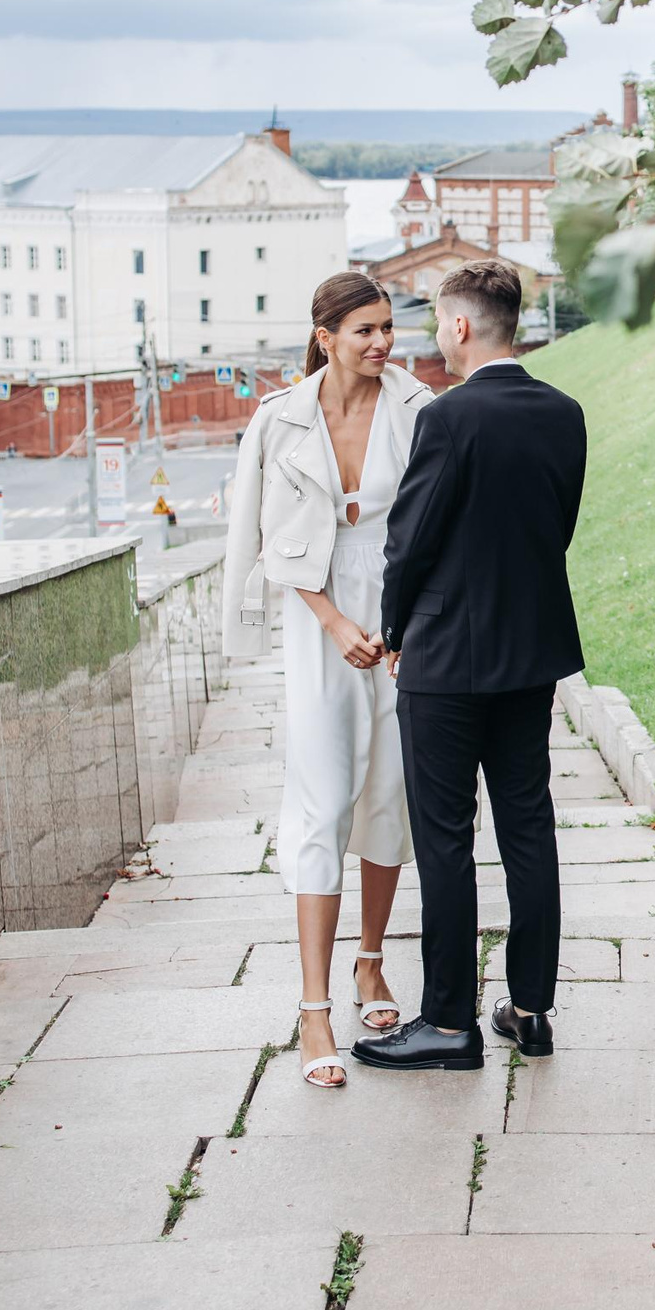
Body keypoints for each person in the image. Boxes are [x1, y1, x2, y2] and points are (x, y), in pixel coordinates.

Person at [354, 260, 586, 1073]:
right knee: (528, 826)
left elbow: (408, 541)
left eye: (435, 323)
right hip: (531, 653)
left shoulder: (447, 417)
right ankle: (530, 1010)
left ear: (459, 325)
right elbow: (555, 527)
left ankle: (450, 1022)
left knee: (446, 837)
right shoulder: (565, 413)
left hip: (445, 659)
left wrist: (393, 630)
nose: (433, 337)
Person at [222, 271, 433, 1089]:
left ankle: (370, 963)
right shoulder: (278, 420)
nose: (382, 342)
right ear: (325, 337)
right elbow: (265, 535)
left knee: (391, 790)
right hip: (319, 620)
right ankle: (314, 1009)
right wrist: (335, 622)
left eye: (387, 327)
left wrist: (406, 627)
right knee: (322, 796)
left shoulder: (417, 408)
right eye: (364, 330)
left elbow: (433, 523)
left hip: (401, 615)